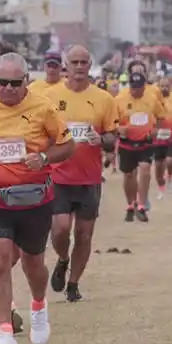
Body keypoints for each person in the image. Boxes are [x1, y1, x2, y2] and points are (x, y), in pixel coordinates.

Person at [0, 52, 75, 344]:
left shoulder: (43, 107)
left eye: (15, 83)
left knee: (33, 264)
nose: (8, 89)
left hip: (34, 198)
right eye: (2, 82)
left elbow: (67, 145)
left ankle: (38, 307)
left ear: (26, 80)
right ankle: (5, 336)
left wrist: (44, 157)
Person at [44, 46, 117, 302]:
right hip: (58, 175)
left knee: (84, 235)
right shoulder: (50, 97)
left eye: (83, 62)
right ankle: (63, 258)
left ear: (90, 65)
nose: (78, 66)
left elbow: (112, 136)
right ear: (66, 65)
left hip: (89, 177)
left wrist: (102, 139)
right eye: (74, 62)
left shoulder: (104, 99)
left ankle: (73, 284)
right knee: (60, 229)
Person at [115, 71, 166, 222]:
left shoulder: (151, 99)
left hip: (146, 142)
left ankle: (142, 205)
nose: (135, 90)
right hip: (127, 143)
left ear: (144, 86)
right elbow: (111, 120)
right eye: (133, 87)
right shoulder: (119, 99)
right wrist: (118, 129)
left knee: (145, 169)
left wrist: (156, 130)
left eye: (139, 87)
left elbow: (161, 116)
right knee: (129, 175)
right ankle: (131, 204)